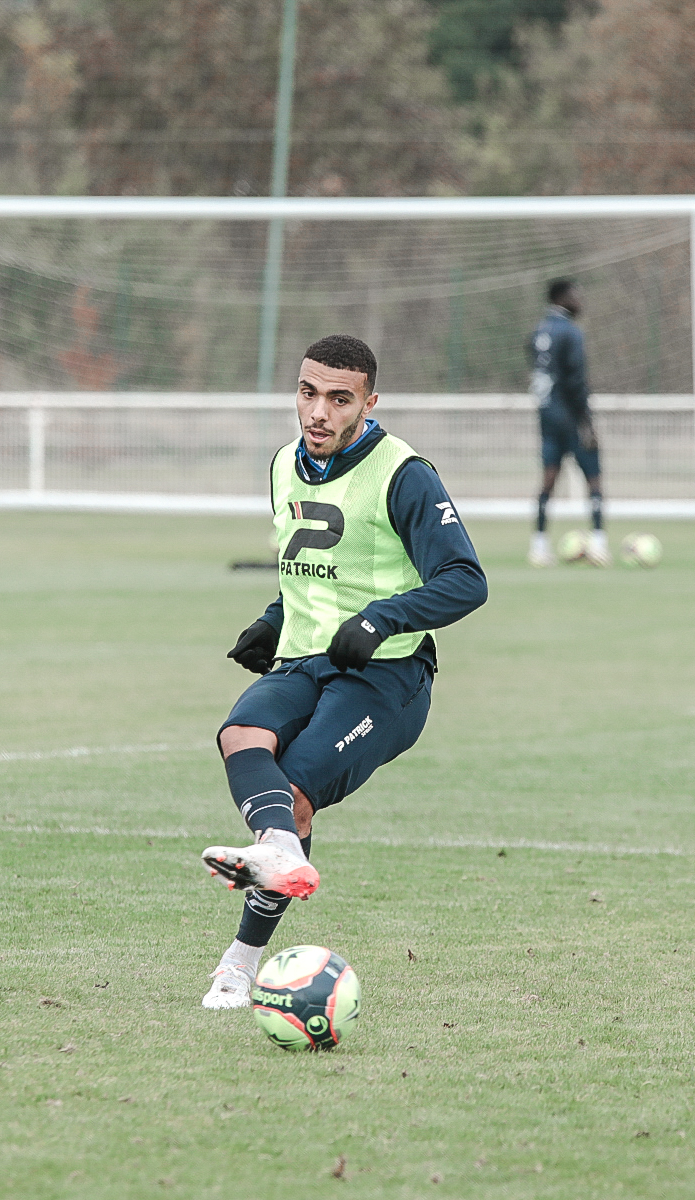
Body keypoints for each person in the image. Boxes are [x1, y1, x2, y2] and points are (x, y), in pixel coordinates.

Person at [199, 333, 488, 1009]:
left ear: (368, 403)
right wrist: (273, 619)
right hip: (305, 656)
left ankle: (239, 964)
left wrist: (383, 619)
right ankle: (280, 850)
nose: (318, 412)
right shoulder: (284, 464)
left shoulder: (403, 474)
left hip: (386, 677)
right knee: (239, 735)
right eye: (308, 394)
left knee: (296, 793)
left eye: (339, 399)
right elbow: (318, 565)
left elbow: (465, 580)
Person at [528, 279, 609, 567]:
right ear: (561, 298)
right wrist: (586, 420)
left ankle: (538, 546)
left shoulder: (539, 331)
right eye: (576, 295)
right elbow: (575, 379)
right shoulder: (571, 332)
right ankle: (599, 543)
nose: (580, 300)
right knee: (593, 478)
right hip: (570, 416)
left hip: (547, 415)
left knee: (548, 478)